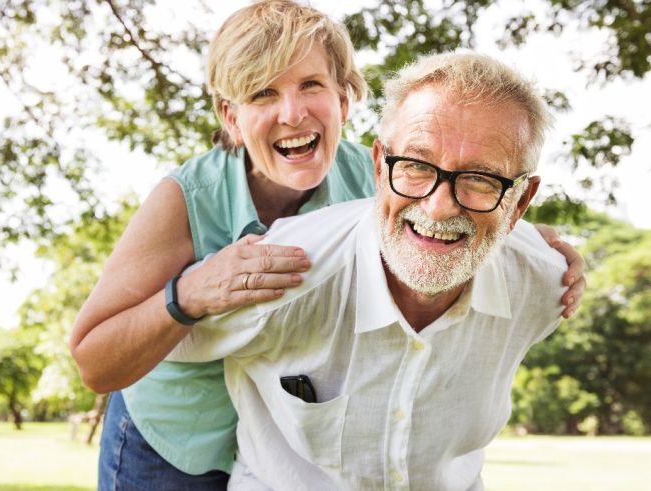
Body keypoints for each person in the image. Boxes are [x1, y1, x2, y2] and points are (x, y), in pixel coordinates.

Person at [68, 1, 584, 489]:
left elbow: (446, 207)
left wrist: (515, 236)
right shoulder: (186, 199)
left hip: (285, 429)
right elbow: (94, 360)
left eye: (309, 85)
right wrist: (189, 293)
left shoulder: (382, 176)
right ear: (231, 117)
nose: (292, 113)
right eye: (262, 93)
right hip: (179, 435)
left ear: (343, 99)